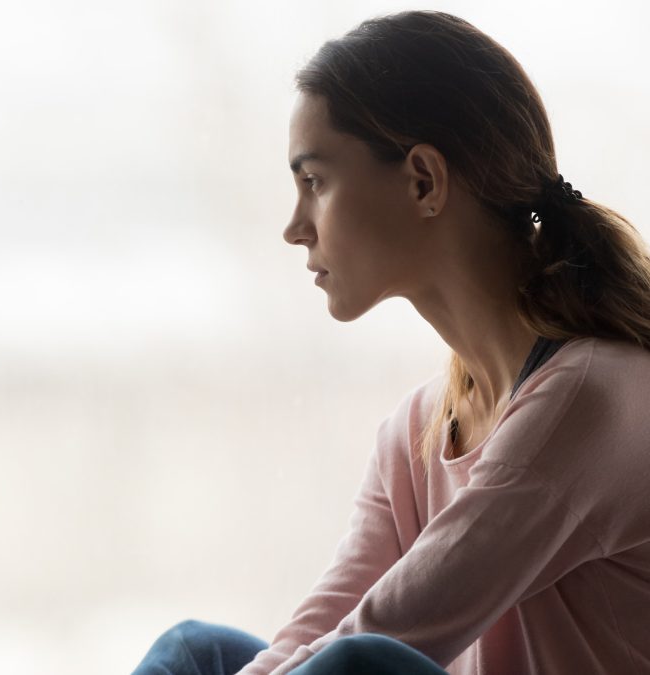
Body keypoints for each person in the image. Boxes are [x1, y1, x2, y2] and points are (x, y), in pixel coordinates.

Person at [131, 9, 650, 675]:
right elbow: (318, 625)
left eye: (314, 181)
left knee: (365, 662)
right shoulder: (417, 429)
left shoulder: (591, 397)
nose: (295, 227)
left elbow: (393, 629)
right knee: (194, 651)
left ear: (423, 181)